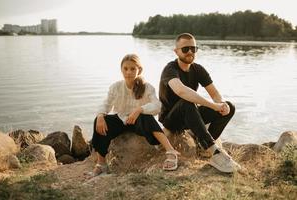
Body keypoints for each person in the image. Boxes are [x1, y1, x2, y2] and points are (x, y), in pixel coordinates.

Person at [158, 33, 241, 173]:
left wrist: (221, 104)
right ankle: (214, 152)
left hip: (191, 115)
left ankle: (203, 146)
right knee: (187, 101)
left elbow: (214, 93)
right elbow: (181, 91)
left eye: (193, 48)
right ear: (176, 51)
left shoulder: (198, 69)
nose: (190, 51)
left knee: (229, 107)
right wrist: (213, 106)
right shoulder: (170, 69)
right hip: (172, 119)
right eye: (185, 49)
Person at [89, 54, 179, 176]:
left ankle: (170, 151)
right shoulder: (115, 87)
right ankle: (102, 164)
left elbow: (157, 106)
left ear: (139, 70)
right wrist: (100, 115)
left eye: (132, 69)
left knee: (147, 117)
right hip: (121, 119)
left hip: (138, 123)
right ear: (121, 70)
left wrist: (139, 110)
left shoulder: (147, 87)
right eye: (125, 69)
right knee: (99, 120)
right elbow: (106, 104)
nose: (128, 72)